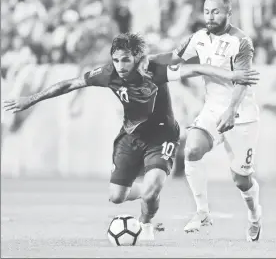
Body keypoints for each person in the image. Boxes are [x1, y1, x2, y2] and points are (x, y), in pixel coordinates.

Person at [3, 33, 259, 241]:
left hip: (162, 136)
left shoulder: (154, 70)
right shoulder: (108, 74)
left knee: (150, 189)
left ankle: (146, 223)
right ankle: (151, 195)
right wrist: (31, 99)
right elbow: (70, 84)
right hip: (130, 137)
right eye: (116, 60)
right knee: (116, 197)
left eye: (125, 60)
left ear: (137, 57)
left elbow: (194, 69)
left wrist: (232, 75)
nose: (120, 66)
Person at [143, 0, 262, 242]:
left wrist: (231, 110)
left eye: (216, 11)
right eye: (207, 11)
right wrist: (147, 59)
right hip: (212, 110)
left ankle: (254, 214)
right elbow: (174, 58)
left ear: (229, 13)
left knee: (241, 180)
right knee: (192, 150)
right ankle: (202, 213)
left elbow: (242, 80)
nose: (210, 16)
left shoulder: (241, 42)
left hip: (242, 114)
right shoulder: (198, 38)